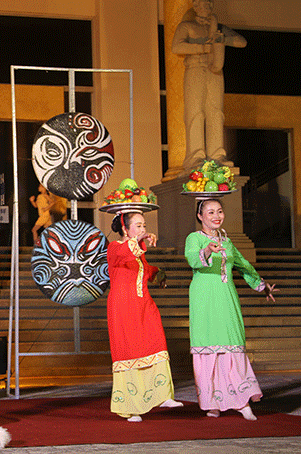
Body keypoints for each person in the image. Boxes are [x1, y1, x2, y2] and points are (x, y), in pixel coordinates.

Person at [185, 199, 277, 420]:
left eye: (219, 211)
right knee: (208, 349)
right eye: (210, 212)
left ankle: (241, 401)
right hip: (203, 298)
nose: (216, 216)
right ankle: (212, 402)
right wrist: (207, 249)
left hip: (226, 297)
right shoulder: (194, 238)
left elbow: (244, 265)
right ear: (200, 216)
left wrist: (262, 286)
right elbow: (191, 259)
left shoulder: (228, 242)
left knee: (232, 345)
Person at [106, 211, 183, 422]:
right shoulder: (114, 248)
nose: (143, 229)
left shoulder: (138, 252)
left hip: (143, 304)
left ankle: (163, 395)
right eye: (138, 226)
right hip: (123, 306)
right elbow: (125, 252)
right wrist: (140, 240)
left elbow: (144, 270)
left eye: (144, 225)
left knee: (156, 341)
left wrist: (159, 274)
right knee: (129, 350)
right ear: (125, 229)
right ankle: (131, 407)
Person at [172, 0, 247, 171]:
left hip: (215, 70)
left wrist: (222, 39)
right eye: (201, 4)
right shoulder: (187, 26)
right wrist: (204, 47)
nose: (205, 7)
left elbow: (241, 42)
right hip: (195, 68)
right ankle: (195, 157)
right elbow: (176, 46)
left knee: (216, 111)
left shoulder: (218, 26)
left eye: (208, 4)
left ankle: (217, 155)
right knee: (195, 112)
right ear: (195, 7)